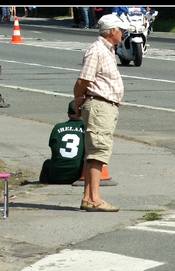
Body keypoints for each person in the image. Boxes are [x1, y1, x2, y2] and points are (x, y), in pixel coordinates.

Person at [73, 14, 130, 213]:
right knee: (98, 152)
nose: (122, 33)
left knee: (94, 152)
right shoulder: (96, 50)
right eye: (120, 30)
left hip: (104, 105)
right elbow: (83, 81)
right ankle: (94, 198)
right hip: (100, 105)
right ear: (112, 31)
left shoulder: (108, 50)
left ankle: (88, 197)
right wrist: (78, 101)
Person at [39, 101, 86, 185]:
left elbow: (52, 146)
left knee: (47, 162)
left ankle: (45, 180)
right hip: (78, 176)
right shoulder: (86, 128)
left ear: (68, 114)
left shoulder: (58, 127)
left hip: (55, 176)